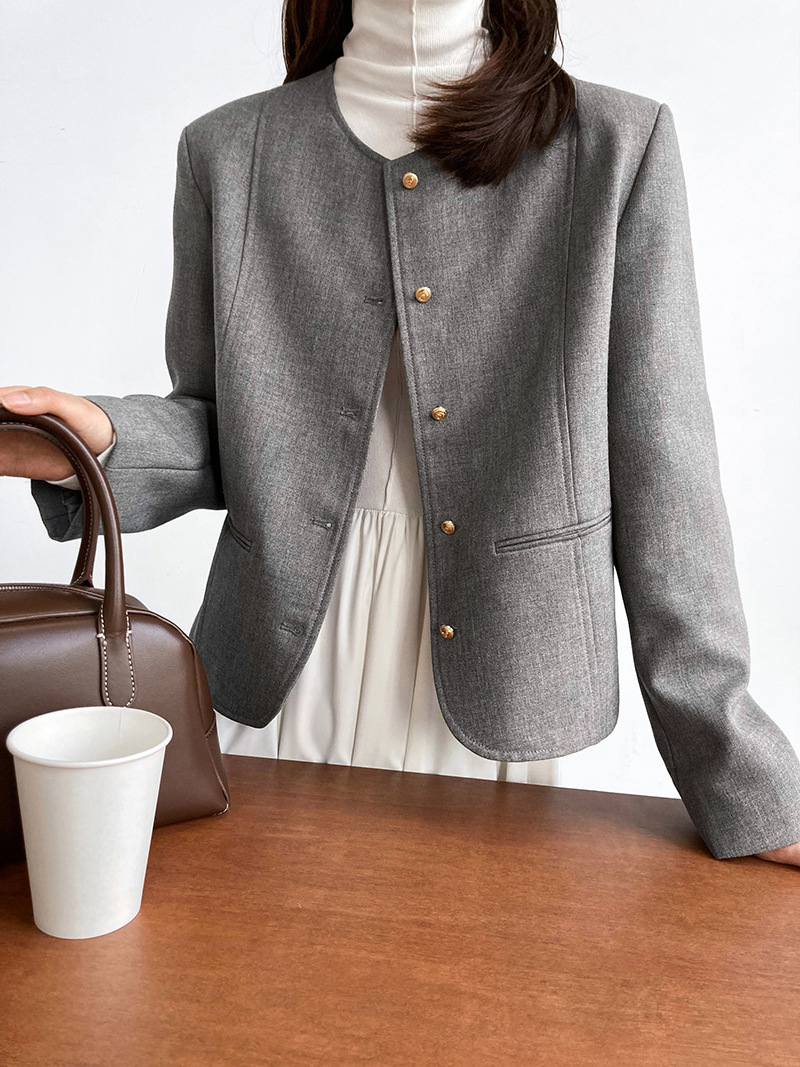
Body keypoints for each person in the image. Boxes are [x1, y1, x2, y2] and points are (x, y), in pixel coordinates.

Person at [2, 0, 799, 866]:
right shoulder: (227, 152)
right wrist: (93, 441)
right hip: (285, 650)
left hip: (506, 653)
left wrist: (746, 782)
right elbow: (223, 430)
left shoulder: (615, 146)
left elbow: (665, 474)